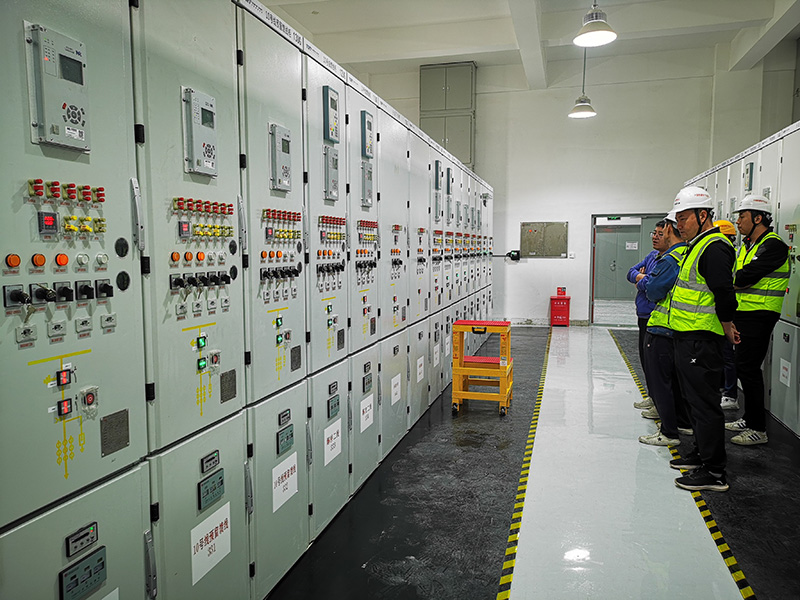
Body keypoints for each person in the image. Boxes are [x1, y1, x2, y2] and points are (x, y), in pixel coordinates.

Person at [666, 186, 739, 493]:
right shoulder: (697, 246)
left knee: (705, 404)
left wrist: (727, 324)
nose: (679, 225)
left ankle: (714, 471)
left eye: (684, 218)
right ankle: (701, 454)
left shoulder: (714, 248)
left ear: (703, 215)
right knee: (693, 400)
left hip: (702, 338)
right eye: (677, 219)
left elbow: (724, 293)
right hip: (687, 335)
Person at [724, 195, 790, 445]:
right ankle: (749, 418)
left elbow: (742, 278)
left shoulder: (773, 246)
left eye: (742, 216)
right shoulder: (749, 245)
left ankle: (758, 429)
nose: (738, 221)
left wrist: (735, 281)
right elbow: (738, 276)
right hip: (745, 313)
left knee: (749, 369)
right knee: (744, 367)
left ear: (758, 218)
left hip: (761, 314)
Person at [638, 211, 693, 446]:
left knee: (662, 383)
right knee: (676, 382)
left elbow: (653, 290)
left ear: (669, 229)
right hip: (681, 327)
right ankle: (682, 423)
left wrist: (645, 280)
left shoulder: (670, 259)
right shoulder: (688, 253)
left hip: (663, 327)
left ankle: (669, 432)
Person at [627, 221, 667, 412]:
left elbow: (653, 286)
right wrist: (641, 277)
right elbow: (630, 272)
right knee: (646, 360)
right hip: (643, 314)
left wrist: (641, 280)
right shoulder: (652, 256)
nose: (655, 237)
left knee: (657, 364)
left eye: (660, 234)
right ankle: (652, 397)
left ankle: (660, 404)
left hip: (656, 317)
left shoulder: (668, 260)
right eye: (654, 233)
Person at [714, 220, 740, 410]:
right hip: (722, 309)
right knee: (722, 354)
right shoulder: (729, 252)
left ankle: (730, 394)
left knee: (727, 354)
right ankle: (723, 388)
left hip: (727, 310)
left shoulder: (724, 254)